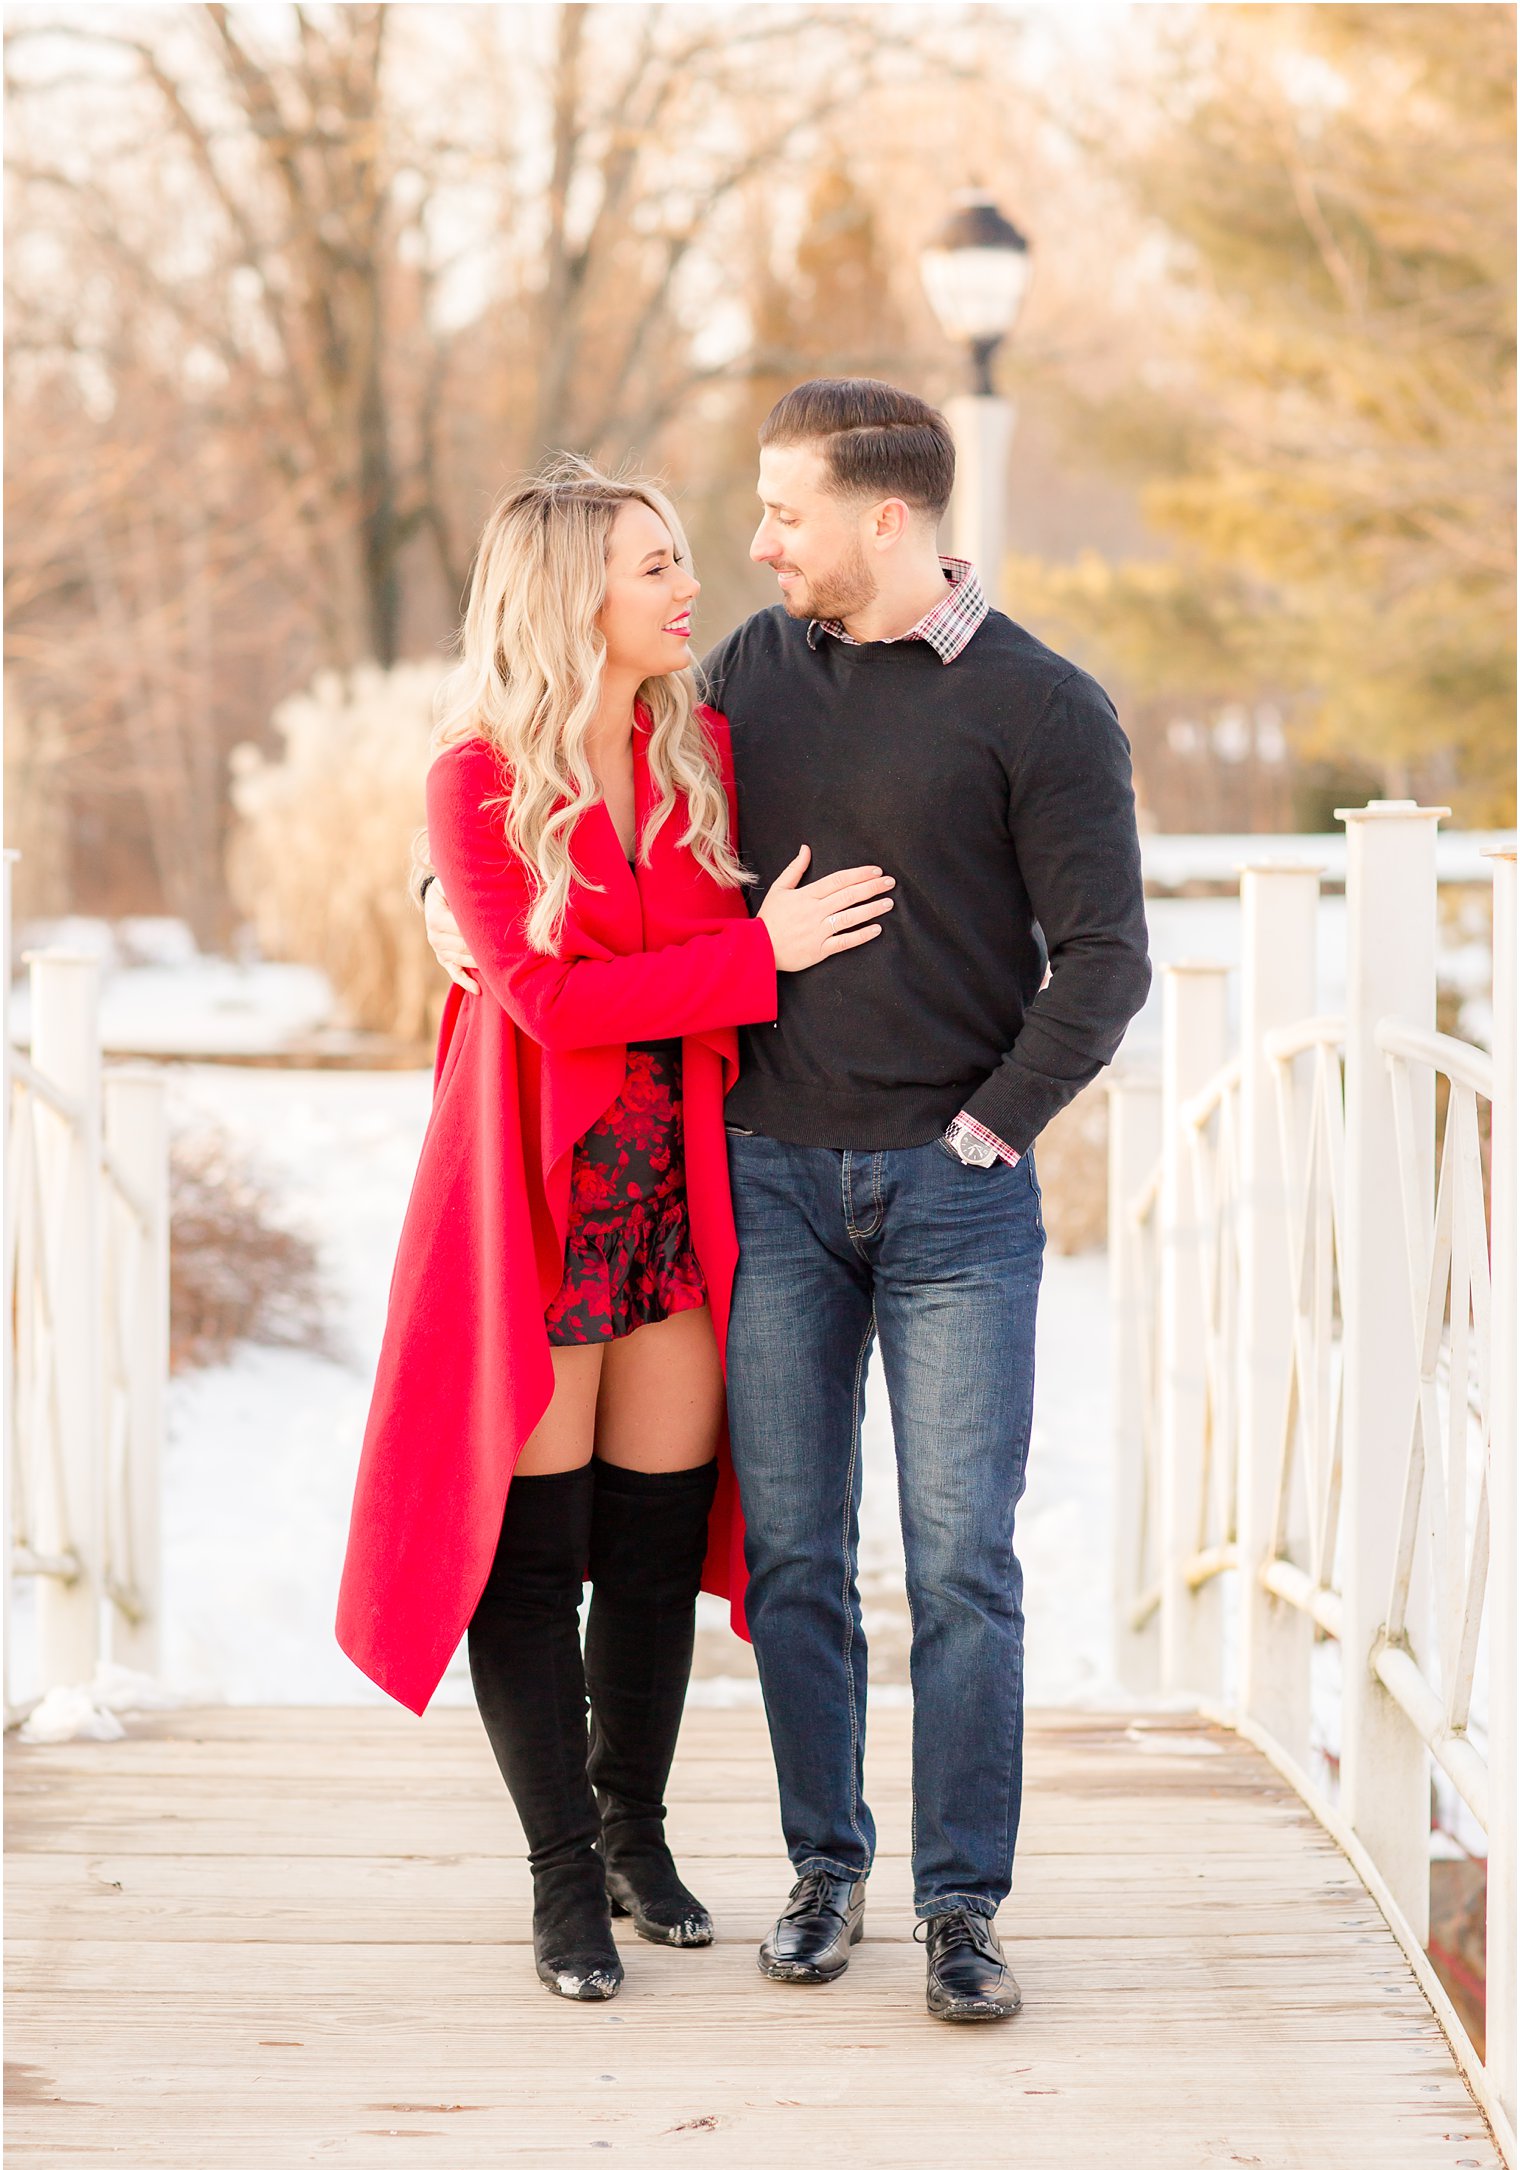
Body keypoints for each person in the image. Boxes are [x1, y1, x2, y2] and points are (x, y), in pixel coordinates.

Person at [424, 381, 1152, 2024]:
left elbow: (1107, 961)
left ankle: (961, 1906)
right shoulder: (754, 675)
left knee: (961, 1561)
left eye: (782, 517)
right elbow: (550, 810)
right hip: (757, 1182)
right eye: (724, 532)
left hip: (950, 1194)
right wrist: (440, 902)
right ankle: (825, 1871)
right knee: (799, 1557)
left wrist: (995, 1126)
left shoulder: (1043, 709)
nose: (750, 553)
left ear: (884, 520)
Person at [337, 459, 893, 2003]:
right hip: (537, 1189)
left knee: (652, 1543)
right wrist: (754, 954)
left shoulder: (700, 743)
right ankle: (560, 1879)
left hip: (674, 1194)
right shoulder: (475, 779)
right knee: (538, 1556)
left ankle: (635, 1832)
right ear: (572, 590)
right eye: (654, 565)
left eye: (680, 560)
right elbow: (552, 1003)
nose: (685, 585)